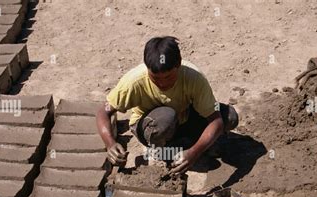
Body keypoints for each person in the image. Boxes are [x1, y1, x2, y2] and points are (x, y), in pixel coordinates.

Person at [95, 36, 239, 174]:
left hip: (183, 119)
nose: (162, 83)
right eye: (155, 78)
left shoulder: (194, 78)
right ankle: (161, 150)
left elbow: (216, 120)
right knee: (166, 117)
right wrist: (110, 143)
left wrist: (194, 153)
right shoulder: (133, 82)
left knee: (230, 117)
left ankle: (185, 147)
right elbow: (104, 111)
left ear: (179, 64)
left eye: (169, 77)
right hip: (151, 126)